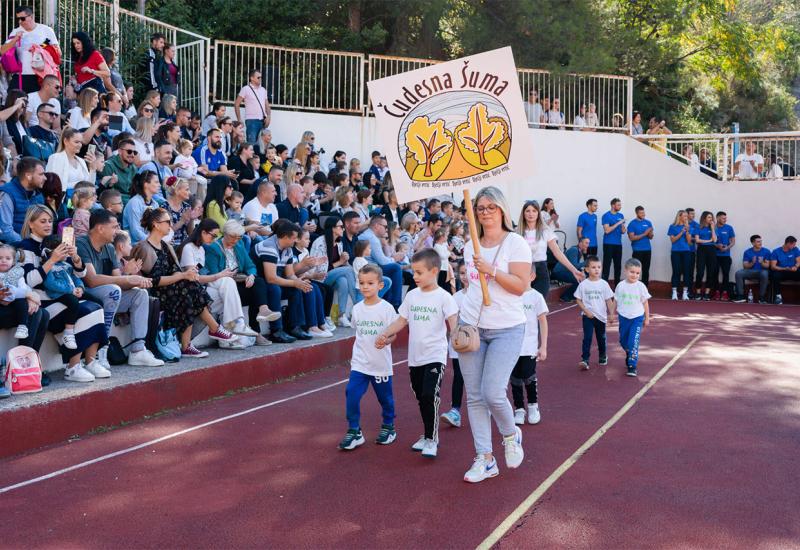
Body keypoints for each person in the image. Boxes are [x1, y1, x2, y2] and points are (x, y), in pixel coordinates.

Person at [457, 186, 531, 483]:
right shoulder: (469, 246)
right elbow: (472, 288)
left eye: (491, 207)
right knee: (474, 396)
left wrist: (492, 271)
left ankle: (511, 434)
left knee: (492, 392)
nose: (485, 212)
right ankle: (485, 459)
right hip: (473, 326)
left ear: (502, 210)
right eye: (480, 207)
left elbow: (520, 285)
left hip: (507, 328)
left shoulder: (516, 243)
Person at [376, 249, 458, 459]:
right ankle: (426, 433)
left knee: (431, 395)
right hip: (415, 358)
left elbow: (454, 326)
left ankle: (432, 439)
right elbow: (401, 321)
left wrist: (461, 342)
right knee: (422, 398)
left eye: (419, 272)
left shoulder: (444, 297)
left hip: (435, 356)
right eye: (414, 272)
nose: (415, 276)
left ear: (434, 271)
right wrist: (385, 334)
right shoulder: (412, 296)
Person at [19, 205, 108, 382]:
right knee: (83, 311)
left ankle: (90, 361)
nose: (48, 224)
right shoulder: (25, 246)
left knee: (96, 306)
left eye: (50, 221)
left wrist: (75, 259)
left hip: (65, 295)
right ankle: (73, 367)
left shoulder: (56, 242)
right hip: (43, 300)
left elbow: (78, 275)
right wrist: (52, 259)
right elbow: (29, 281)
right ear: (30, 223)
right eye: (42, 221)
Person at [132, 208, 238, 357]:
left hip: (172, 288)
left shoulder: (165, 246)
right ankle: (207, 332)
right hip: (155, 292)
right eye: (167, 221)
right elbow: (153, 281)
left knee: (189, 286)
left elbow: (175, 270)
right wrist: (182, 276)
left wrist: (184, 276)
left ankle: (193, 341)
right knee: (187, 286)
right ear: (156, 224)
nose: (171, 224)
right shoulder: (144, 247)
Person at [78, 208, 164, 367]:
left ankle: (138, 351)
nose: (117, 231)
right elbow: (91, 280)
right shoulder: (82, 243)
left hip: (107, 294)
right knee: (113, 291)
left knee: (140, 294)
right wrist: (126, 278)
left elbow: (118, 278)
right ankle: (101, 349)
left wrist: (134, 280)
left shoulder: (110, 248)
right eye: (114, 227)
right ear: (100, 228)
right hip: (84, 293)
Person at [338, 264, 398, 450]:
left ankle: (389, 426)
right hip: (360, 363)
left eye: (370, 283)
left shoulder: (387, 308)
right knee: (352, 394)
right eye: (362, 283)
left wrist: (386, 341)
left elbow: (394, 333)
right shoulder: (357, 309)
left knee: (385, 398)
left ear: (380, 285)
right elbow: (359, 333)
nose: (365, 287)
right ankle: (354, 430)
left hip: (380, 364)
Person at [180, 219, 267, 344]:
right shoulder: (200, 248)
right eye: (214, 235)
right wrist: (220, 275)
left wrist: (250, 275)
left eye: (239, 237)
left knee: (257, 284)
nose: (215, 239)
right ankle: (235, 324)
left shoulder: (202, 249)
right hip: (199, 290)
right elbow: (194, 278)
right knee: (227, 281)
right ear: (204, 233)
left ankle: (234, 326)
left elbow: (249, 265)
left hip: (214, 289)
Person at [253, 220, 312, 343]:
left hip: (272, 280)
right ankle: (276, 331)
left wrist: (300, 283)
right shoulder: (269, 246)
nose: (296, 241)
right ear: (285, 237)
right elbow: (271, 278)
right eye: (294, 238)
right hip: (259, 283)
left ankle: (295, 327)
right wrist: (295, 282)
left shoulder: (287, 248)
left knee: (296, 289)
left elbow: (290, 274)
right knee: (275, 289)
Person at [518, 200, 584, 297]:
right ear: (523, 213)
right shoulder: (517, 233)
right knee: (523, 307)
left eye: (534, 211)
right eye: (528, 211)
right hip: (522, 271)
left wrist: (573, 270)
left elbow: (557, 252)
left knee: (539, 306)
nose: (531, 214)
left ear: (538, 213)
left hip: (541, 270)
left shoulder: (545, 231)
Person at [511, 282, 548, 425]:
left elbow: (543, 322)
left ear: (532, 276)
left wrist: (543, 346)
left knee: (528, 375)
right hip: (512, 345)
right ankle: (519, 409)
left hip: (529, 347)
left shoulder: (536, 297)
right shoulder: (511, 294)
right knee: (514, 377)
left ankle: (533, 405)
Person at [0, 5, 60, 93]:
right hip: (20, 75)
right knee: (13, 101)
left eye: (23, 18)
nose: (20, 21)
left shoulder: (46, 30)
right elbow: (2, 51)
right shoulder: (15, 31)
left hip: (40, 76)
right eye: (18, 19)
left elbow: (58, 53)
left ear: (31, 17)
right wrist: (15, 40)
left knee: (39, 105)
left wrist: (40, 49)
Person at [311, 217, 356, 327]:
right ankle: (358, 303)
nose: (343, 229)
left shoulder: (339, 243)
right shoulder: (320, 242)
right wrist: (341, 262)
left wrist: (345, 261)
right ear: (332, 228)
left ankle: (341, 315)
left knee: (343, 281)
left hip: (332, 276)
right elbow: (321, 270)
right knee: (348, 271)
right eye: (341, 227)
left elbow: (340, 266)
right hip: (319, 278)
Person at [440, 261, 468, 428]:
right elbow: (450, 323)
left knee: (477, 379)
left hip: (478, 344)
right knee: (459, 376)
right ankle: (455, 410)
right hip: (459, 344)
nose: (465, 277)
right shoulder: (455, 298)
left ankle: (484, 407)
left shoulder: (482, 296)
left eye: (467, 272)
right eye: (462, 273)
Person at [575, 256, 614, 371]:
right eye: (593, 267)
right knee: (587, 338)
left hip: (601, 317)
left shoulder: (604, 284)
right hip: (588, 316)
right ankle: (585, 360)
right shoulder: (583, 284)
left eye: (599, 267)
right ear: (587, 269)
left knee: (601, 338)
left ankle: (602, 355)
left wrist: (611, 313)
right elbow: (578, 299)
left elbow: (608, 300)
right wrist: (586, 311)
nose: (597, 270)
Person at [615, 258, 651, 377]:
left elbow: (645, 303)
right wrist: (611, 314)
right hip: (623, 317)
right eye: (632, 272)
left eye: (637, 273)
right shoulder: (620, 286)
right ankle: (628, 352)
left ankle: (632, 365)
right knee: (623, 341)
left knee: (633, 342)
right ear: (626, 271)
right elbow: (615, 300)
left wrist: (647, 318)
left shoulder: (641, 286)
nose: (635, 275)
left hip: (637, 318)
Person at [359, 216, 405, 309]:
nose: (387, 229)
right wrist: (394, 258)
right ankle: (396, 304)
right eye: (385, 226)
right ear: (376, 226)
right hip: (366, 268)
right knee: (395, 268)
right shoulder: (372, 238)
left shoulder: (371, 236)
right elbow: (383, 262)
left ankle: (390, 303)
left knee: (393, 269)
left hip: (370, 267)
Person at [0, 156, 45, 244]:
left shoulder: (38, 194)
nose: (45, 178)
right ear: (28, 175)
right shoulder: (7, 193)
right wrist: (26, 244)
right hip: (12, 249)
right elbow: (5, 230)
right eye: (41, 174)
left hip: (34, 245)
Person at [46, 128, 100, 196]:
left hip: (82, 201)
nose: (80, 145)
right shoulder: (56, 158)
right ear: (65, 141)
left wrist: (93, 169)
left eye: (81, 142)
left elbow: (90, 186)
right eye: (76, 142)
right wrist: (80, 187)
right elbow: (55, 185)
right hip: (64, 200)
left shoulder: (81, 161)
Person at [0, 243, 36, 340]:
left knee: (22, 302)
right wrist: (28, 295)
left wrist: (29, 296)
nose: (3, 261)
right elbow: (8, 292)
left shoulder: (17, 273)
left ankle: (22, 326)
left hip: (14, 304)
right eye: (0, 258)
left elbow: (24, 288)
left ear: (13, 262)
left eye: (8, 258)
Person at [122, 171, 161, 244]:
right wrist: (153, 241)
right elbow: (136, 232)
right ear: (146, 185)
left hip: (150, 242)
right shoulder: (134, 203)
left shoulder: (155, 204)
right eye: (156, 182)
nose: (159, 185)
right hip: (135, 245)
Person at [235, 69, 271, 144]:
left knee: (262, 144)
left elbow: (266, 104)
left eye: (261, 77)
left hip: (262, 120)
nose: (260, 79)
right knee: (252, 143)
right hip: (251, 121)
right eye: (258, 77)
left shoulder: (263, 90)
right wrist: (239, 119)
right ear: (251, 78)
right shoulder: (245, 89)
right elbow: (237, 104)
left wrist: (268, 116)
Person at [733, 235, 770, 304]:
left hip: (761, 272)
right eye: (758, 242)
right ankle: (741, 296)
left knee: (765, 273)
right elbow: (745, 266)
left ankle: (761, 297)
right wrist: (752, 262)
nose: (760, 243)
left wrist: (762, 263)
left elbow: (767, 266)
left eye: (761, 241)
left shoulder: (766, 251)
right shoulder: (747, 252)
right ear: (753, 243)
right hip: (750, 271)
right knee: (739, 273)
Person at [101, 137, 138, 205]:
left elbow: (135, 190)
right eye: (129, 151)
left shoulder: (133, 168)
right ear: (120, 151)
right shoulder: (109, 165)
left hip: (130, 201)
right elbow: (108, 193)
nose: (132, 155)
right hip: (115, 202)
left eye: (134, 152)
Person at [552, 237, 589, 302]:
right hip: (559, 272)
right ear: (580, 243)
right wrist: (586, 262)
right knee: (579, 279)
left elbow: (575, 267)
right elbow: (574, 265)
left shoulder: (579, 251)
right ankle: (565, 297)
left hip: (565, 271)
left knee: (585, 275)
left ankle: (576, 295)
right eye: (586, 243)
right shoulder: (574, 250)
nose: (588, 245)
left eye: (588, 243)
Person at [667, 210, 693, 301]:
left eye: (687, 216)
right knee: (676, 271)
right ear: (680, 216)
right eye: (685, 216)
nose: (687, 217)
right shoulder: (672, 227)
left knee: (686, 272)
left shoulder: (689, 227)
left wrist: (687, 231)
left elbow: (689, 242)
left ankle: (685, 293)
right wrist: (681, 232)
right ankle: (674, 292)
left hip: (686, 251)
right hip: (676, 252)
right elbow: (673, 240)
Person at [693, 211, 718, 301]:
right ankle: (698, 292)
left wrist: (712, 229)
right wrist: (708, 241)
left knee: (711, 272)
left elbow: (714, 240)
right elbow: (697, 240)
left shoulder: (714, 228)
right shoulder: (698, 227)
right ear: (704, 218)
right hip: (702, 250)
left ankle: (707, 293)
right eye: (708, 217)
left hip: (711, 250)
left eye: (711, 217)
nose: (710, 219)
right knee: (700, 271)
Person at [601, 198, 626, 285]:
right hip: (608, 244)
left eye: (620, 205)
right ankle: (604, 287)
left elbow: (623, 231)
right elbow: (607, 230)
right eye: (618, 205)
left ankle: (617, 287)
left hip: (618, 244)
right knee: (606, 266)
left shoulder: (621, 215)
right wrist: (618, 223)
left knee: (618, 266)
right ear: (613, 205)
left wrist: (623, 226)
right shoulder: (606, 216)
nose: (620, 206)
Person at [769, 236, 800, 305]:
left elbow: (798, 261)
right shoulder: (776, 251)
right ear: (788, 243)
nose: (795, 246)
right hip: (782, 271)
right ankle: (778, 297)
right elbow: (773, 266)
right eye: (793, 244)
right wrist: (784, 268)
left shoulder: (795, 249)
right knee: (775, 275)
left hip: (793, 271)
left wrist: (795, 266)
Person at [627, 206, 654, 285]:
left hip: (647, 249)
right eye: (641, 213)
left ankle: (645, 288)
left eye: (644, 212)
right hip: (637, 250)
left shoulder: (648, 222)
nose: (643, 214)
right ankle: (634, 286)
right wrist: (645, 233)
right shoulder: (632, 224)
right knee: (635, 270)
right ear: (636, 213)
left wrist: (650, 233)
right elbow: (632, 238)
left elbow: (651, 237)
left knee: (646, 270)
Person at [713, 211, 735, 300]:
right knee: (714, 274)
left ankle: (725, 293)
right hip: (715, 255)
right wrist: (717, 245)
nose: (725, 220)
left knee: (726, 274)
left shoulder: (729, 228)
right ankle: (717, 292)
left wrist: (727, 248)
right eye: (723, 218)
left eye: (726, 218)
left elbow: (733, 241)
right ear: (717, 218)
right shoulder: (713, 227)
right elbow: (710, 241)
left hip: (726, 255)